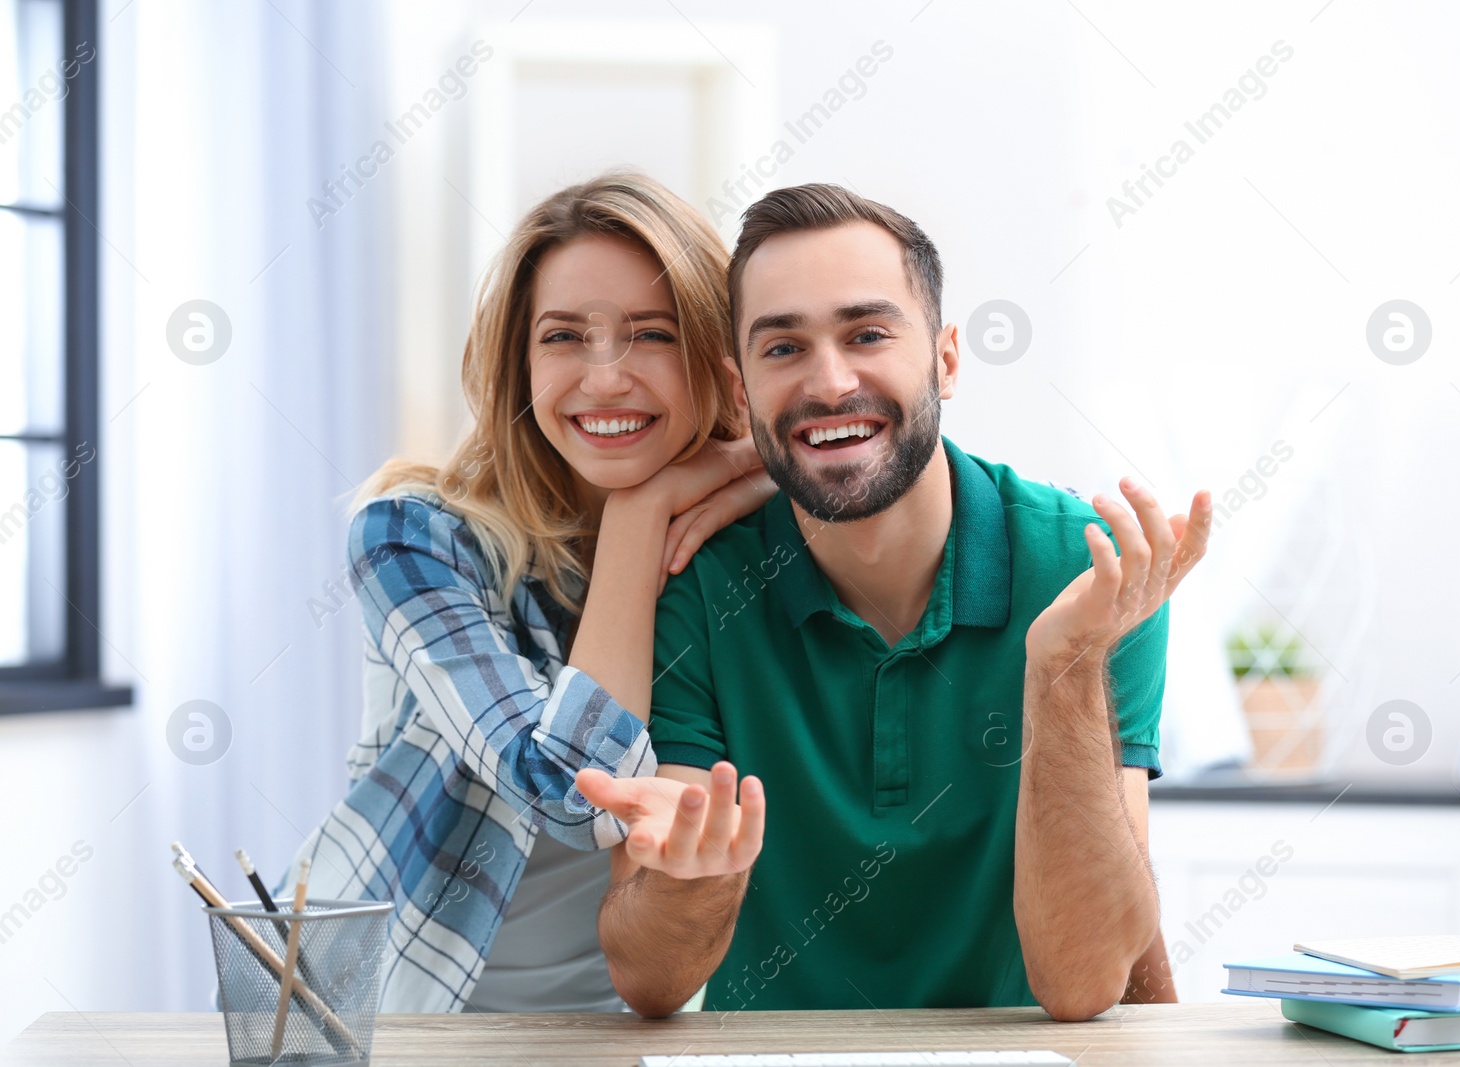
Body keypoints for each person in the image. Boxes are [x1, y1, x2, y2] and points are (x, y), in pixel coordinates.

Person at [577, 184, 1211, 1021]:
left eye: (867, 334)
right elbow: (648, 979)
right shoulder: (704, 584)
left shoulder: (1083, 568)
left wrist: (1066, 665)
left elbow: (1084, 981)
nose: (830, 381)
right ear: (739, 390)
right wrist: (700, 878)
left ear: (946, 357)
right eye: (783, 348)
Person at [277, 172, 772, 1012]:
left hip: (666, 1017)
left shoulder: (747, 549)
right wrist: (638, 514)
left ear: (717, 363)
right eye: (564, 337)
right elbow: (581, 790)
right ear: (520, 363)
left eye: (650, 334)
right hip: (419, 1017)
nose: (605, 377)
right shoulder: (413, 537)